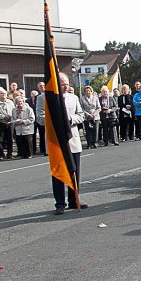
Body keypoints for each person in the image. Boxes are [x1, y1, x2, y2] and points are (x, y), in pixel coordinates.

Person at [50, 73, 87, 215]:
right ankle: (60, 203)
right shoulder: (46, 98)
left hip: (73, 140)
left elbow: (81, 115)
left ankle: (74, 200)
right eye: (62, 85)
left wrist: (70, 119)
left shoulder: (73, 98)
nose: (65, 87)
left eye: (67, 84)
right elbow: (40, 118)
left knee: (74, 171)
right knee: (58, 173)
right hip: (56, 141)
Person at [0, 88, 14, 159]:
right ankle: (1, 154)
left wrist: (10, 116)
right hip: (0, 122)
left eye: (4, 93)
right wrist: (3, 116)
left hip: (10, 122)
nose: (3, 95)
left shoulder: (10, 102)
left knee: (10, 139)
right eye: (1, 93)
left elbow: (14, 110)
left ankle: (10, 154)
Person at [35, 81, 47, 155]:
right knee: (42, 135)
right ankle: (43, 149)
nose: (42, 87)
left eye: (43, 85)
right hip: (42, 118)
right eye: (40, 86)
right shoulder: (39, 97)